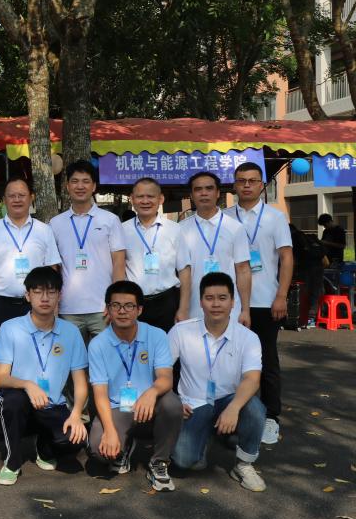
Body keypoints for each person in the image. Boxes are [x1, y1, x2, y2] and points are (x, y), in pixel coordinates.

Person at [169, 272, 267, 492]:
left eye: (222, 298)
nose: (216, 304)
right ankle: (207, 438)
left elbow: (252, 379)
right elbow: (162, 370)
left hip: (228, 401)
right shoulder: (181, 331)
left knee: (254, 407)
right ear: (200, 301)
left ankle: (244, 464)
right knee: (183, 461)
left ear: (233, 302)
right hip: (193, 404)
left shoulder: (248, 337)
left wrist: (233, 408)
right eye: (209, 298)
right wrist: (174, 400)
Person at [0, 267, 88, 485]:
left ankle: (44, 448)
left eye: (51, 292)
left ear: (59, 295)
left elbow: (80, 382)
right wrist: (28, 384)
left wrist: (76, 414)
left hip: (53, 404)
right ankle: (12, 462)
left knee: (75, 441)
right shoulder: (10, 328)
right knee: (13, 401)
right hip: (20, 403)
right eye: (37, 292)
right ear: (27, 295)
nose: (45, 298)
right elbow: (0, 378)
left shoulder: (71, 332)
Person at [88, 281, 182, 491]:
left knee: (172, 404)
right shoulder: (98, 344)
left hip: (149, 406)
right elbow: (100, 393)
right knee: (99, 452)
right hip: (118, 408)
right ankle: (124, 446)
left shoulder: (156, 335)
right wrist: (110, 431)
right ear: (107, 309)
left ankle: (159, 462)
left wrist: (151, 392)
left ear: (139, 309)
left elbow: (166, 378)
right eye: (116, 305)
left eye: (129, 306)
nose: (122, 311)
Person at [232, 162, 293, 446]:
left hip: (266, 301)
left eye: (252, 181)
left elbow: (287, 257)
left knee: (267, 361)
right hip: (232, 303)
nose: (246, 185)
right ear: (234, 185)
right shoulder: (225, 217)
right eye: (241, 180)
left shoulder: (275, 217)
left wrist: (281, 295)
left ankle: (271, 417)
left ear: (262, 185)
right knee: (231, 361)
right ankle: (237, 413)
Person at [0, 177, 61, 350]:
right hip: (0, 305)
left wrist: (54, 309)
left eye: (21, 195)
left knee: (37, 354)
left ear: (31, 197)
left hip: (36, 306)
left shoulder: (44, 230)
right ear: (4, 199)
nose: (17, 200)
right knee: (2, 356)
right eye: (12, 196)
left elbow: (52, 271)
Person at [50, 160, 127, 342]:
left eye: (85, 181)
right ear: (67, 186)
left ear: (93, 186)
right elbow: (53, 267)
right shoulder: (56, 223)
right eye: (75, 181)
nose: (80, 186)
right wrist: (54, 302)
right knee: (72, 358)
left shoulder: (110, 220)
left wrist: (115, 302)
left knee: (106, 356)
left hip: (102, 308)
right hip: (68, 309)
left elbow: (119, 262)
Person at [176, 172, 252, 325]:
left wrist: (245, 310)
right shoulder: (180, 229)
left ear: (218, 193)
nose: (204, 193)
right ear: (191, 195)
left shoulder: (235, 227)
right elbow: (183, 271)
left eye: (209, 188)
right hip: (193, 308)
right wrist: (183, 309)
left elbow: (243, 270)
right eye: (198, 189)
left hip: (229, 308)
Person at [121, 178, 181, 332]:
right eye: (140, 196)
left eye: (150, 196)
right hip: (133, 303)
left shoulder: (175, 229)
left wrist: (184, 308)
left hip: (167, 301)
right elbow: (118, 268)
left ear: (160, 199)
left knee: (167, 344)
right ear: (132, 199)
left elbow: (185, 271)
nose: (145, 201)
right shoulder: (121, 230)